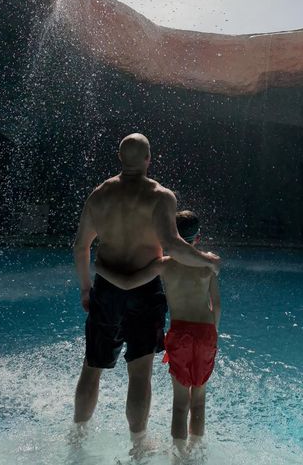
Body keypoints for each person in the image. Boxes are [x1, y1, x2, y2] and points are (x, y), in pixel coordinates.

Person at [72, 133, 218, 453]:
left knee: (92, 366)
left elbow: (81, 246)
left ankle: (77, 437)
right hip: (144, 291)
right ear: (149, 158)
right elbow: (173, 244)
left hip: (106, 288)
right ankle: (138, 445)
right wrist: (206, 261)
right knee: (139, 373)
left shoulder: (99, 195)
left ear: (119, 157)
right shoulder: (160, 196)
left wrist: (85, 288)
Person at [96, 210, 220, 459]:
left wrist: (101, 269)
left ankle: (178, 457)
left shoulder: (164, 264)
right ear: (197, 238)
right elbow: (216, 306)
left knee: (180, 404)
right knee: (199, 400)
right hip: (206, 332)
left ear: (171, 236)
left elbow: (128, 283)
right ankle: (195, 454)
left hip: (180, 334)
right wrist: (211, 334)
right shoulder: (208, 263)